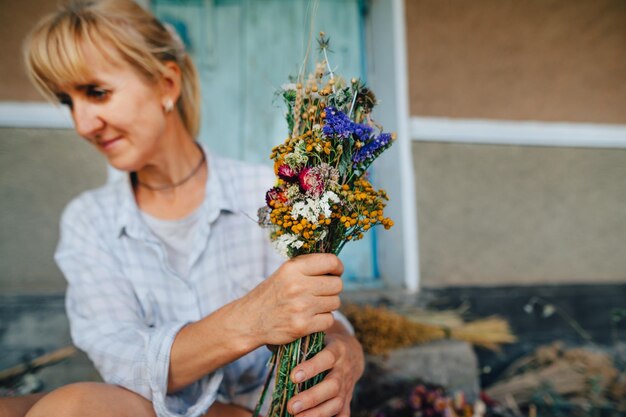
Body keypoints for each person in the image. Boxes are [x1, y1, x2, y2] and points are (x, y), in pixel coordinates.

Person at [12, 1, 365, 416]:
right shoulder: (89, 221)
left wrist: (346, 350)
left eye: (96, 92)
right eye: (68, 102)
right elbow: (122, 365)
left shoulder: (267, 191)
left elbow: (320, 312)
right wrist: (249, 319)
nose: (83, 124)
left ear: (166, 85)